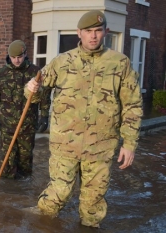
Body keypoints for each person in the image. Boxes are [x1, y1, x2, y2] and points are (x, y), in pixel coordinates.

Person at [24, 10, 143, 228]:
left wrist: (129, 144)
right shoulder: (62, 62)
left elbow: (132, 105)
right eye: (88, 31)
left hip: (100, 147)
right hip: (64, 145)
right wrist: (32, 87)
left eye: (98, 30)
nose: (93, 36)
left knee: (92, 207)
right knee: (56, 197)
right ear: (79, 32)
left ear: (105, 32)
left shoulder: (120, 63)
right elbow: (36, 93)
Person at [0, 40, 51, 179]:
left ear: (25, 54)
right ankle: (9, 191)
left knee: (25, 159)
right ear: (9, 56)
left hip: (27, 124)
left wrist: (44, 116)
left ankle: (24, 191)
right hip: (7, 125)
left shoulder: (36, 73)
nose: (17, 60)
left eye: (19, 57)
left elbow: (44, 96)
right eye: (13, 57)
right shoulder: (2, 73)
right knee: (7, 161)